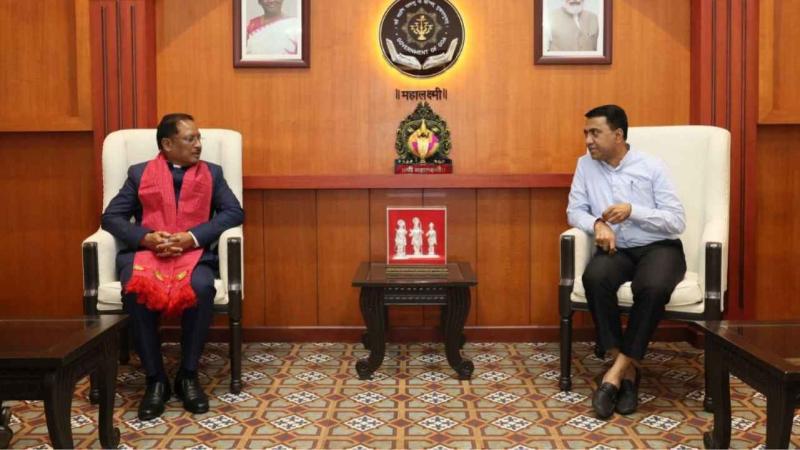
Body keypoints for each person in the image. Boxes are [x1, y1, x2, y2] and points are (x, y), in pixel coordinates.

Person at [102, 113, 244, 420]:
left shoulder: (213, 173)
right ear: (167, 144)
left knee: (201, 288)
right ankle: (155, 380)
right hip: (147, 254)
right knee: (136, 290)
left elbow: (234, 212)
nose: (198, 145)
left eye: (199, 138)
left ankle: (187, 375)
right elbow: (111, 217)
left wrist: (192, 237)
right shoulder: (139, 173)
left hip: (194, 255)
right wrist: (146, 238)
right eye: (190, 139)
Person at [566, 105, 686, 419]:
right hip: (617, 249)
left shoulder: (652, 166)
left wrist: (634, 211)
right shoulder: (585, 165)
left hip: (659, 247)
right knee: (595, 278)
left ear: (618, 135)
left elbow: (676, 221)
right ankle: (629, 372)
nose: (588, 140)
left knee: (653, 286)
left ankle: (614, 374)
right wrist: (597, 224)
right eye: (586, 133)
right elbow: (574, 210)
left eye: (595, 133)